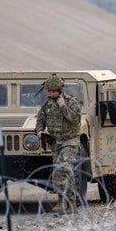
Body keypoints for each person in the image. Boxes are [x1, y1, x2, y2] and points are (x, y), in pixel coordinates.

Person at [35, 74, 82, 214]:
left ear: (60, 90)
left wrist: (63, 107)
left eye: (53, 91)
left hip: (70, 141)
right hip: (55, 143)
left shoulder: (71, 102)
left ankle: (69, 203)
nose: (51, 94)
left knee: (62, 169)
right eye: (49, 91)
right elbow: (40, 120)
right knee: (62, 173)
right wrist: (39, 131)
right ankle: (66, 202)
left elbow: (75, 120)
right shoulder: (47, 104)